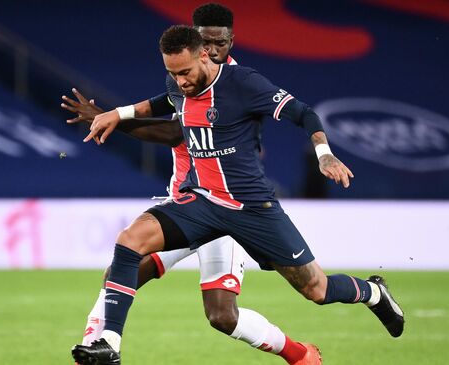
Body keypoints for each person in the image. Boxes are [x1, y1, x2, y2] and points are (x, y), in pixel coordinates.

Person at [71, 25, 404, 365]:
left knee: (313, 291)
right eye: (173, 73)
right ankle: (105, 345)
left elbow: (303, 113)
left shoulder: (243, 83)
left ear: (206, 54)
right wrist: (115, 113)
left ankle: (373, 293)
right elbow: (161, 101)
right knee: (129, 244)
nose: (180, 81)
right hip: (201, 202)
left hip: (250, 209)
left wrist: (324, 154)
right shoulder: (179, 82)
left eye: (185, 72)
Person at [63, 3, 322, 364]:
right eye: (206, 41)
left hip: (230, 209)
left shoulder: (239, 85)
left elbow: (175, 131)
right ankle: (98, 345)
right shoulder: (185, 75)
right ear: (194, 40)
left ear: (230, 41)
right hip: (188, 203)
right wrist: (115, 115)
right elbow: (161, 108)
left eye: (220, 43)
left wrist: (117, 121)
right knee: (125, 263)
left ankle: (299, 354)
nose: (213, 50)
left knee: (222, 316)